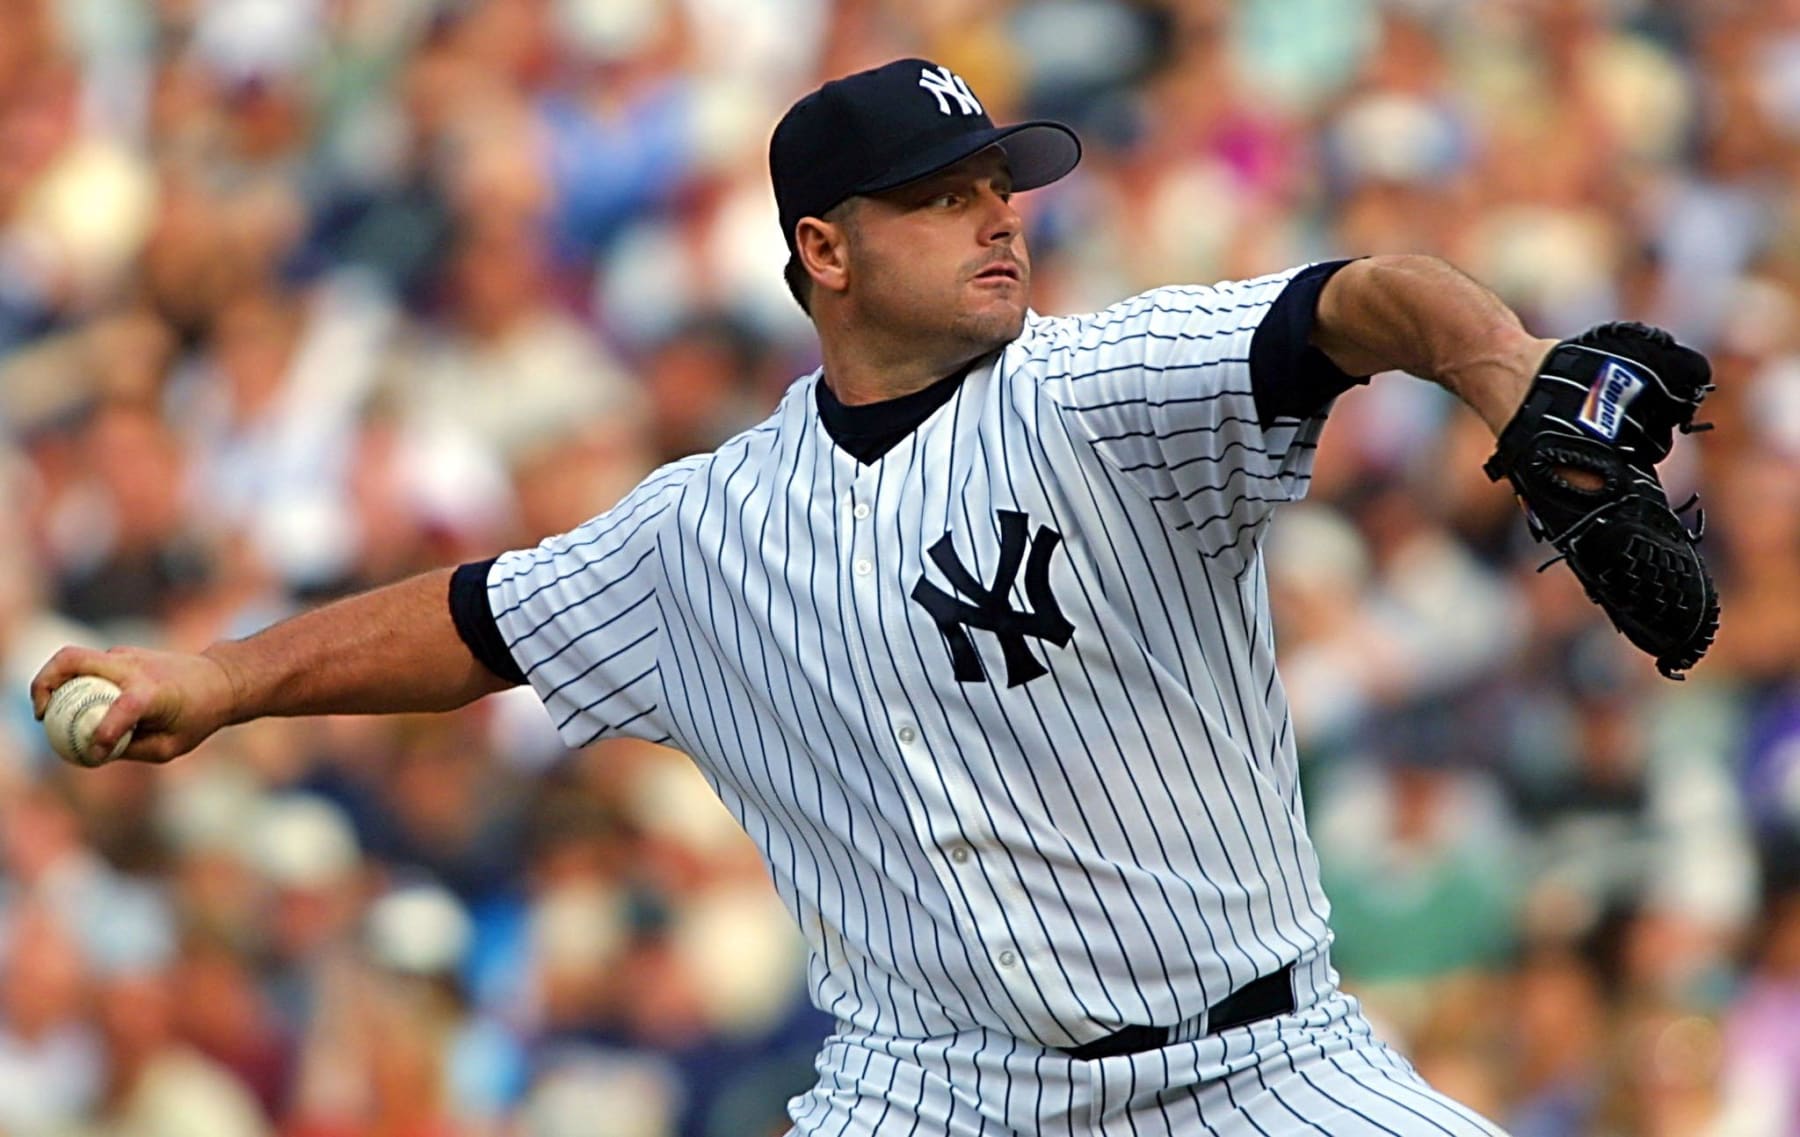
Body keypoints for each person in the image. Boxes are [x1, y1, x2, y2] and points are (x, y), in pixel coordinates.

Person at [32, 58, 1714, 1134]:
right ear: (823, 252)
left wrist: (1508, 379)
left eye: (1001, 184)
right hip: (929, 1096)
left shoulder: (1106, 385)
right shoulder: (705, 530)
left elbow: (1368, 304)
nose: (998, 217)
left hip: (1263, 1070)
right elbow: (477, 622)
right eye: (942, 195)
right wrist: (233, 678)